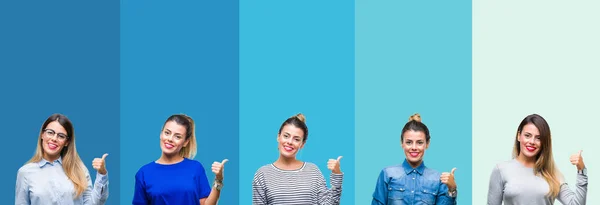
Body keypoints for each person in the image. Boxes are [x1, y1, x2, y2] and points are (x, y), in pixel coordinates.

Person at [487, 114, 588, 205]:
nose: (532, 141)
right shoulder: (501, 170)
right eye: (527, 135)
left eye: (538, 138)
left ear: (544, 142)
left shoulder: (552, 174)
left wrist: (581, 170)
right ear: (519, 136)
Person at [15, 113, 109, 205]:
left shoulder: (79, 169)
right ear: (42, 135)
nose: (54, 138)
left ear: (66, 142)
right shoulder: (25, 173)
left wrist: (102, 174)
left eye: (61, 136)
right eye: (50, 132)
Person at [133, 114, 227, 205]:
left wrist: (218, 179)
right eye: (167, 133)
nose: (170, 139)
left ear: (185, 142)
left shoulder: (195, 168)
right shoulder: (144, 173)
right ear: (161, 134)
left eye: (177, 136)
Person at [252, 113, 343, 204]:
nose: (290, 142)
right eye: (286, 136)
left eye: (296, 139)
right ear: (278, 137)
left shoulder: (313, 171)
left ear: (302, 144)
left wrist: (337, 173)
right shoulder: (262, 174)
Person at [372, 113, 458, 205]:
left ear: (427, 144)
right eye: (409, 142)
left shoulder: (438, 179)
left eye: (419, 142)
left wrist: (452, 190)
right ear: (402, 143)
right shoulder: (387, 174)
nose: (414, 147)